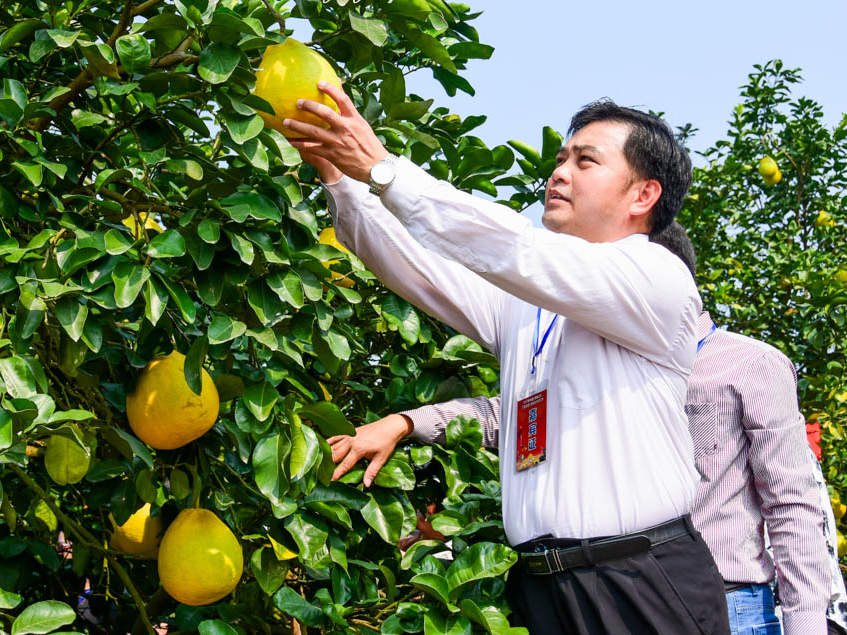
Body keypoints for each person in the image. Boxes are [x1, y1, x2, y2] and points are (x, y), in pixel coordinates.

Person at [286, 85, 729, 633]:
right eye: (561, 158)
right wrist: (339, 178)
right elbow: (417, 266)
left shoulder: (656, 280)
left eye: (586, 161)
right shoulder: (527, 304)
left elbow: (516, 248)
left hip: (639, 579)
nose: (560, 173)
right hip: (544, 585)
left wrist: (383, 169)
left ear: (643, 195)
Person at [374, 222, 836, 635]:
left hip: (729, 602)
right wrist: (408, 420)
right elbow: (504, 413)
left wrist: (808, 625)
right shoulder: (588, 361)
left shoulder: (749, 365)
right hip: (610, 595)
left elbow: (792, 503)